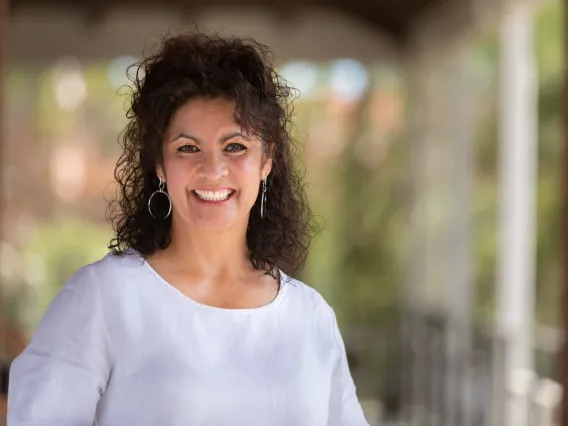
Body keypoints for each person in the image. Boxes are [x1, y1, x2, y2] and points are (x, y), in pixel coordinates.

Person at [7, 32, 369, 426]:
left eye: (235, 147)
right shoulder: (103, 300)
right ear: (159, 165)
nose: (213, 170)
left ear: (267, 161)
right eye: (187, 148)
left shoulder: (311, 318)